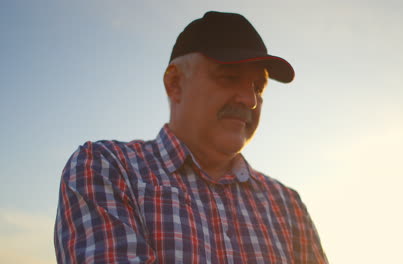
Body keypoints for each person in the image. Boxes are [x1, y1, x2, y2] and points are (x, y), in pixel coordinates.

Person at [54, 11, 328, 264]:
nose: (250, 100)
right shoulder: (105, 168)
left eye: (258, 87)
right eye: (229, 77)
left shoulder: (287, 205)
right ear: (175, 84)